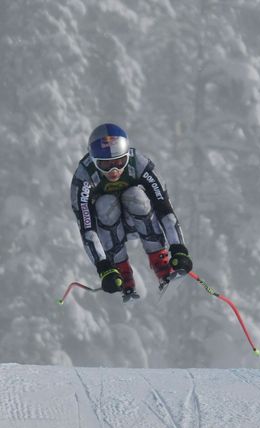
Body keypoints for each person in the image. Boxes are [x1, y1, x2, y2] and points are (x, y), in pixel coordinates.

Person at [69, 123, 193, 300]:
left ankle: (162, 266)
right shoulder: (83, 179)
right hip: (107, 227)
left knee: (135, 195)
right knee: (105, 203)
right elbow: (88, 230)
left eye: (119, 162)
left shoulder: (140, 164)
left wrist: (178, 248)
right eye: (105, 165)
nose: (113, 170)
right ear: (94, 161)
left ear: (127, 156)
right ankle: (121, 273)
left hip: (137, 219)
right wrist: (103, 267)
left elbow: (165, 210)